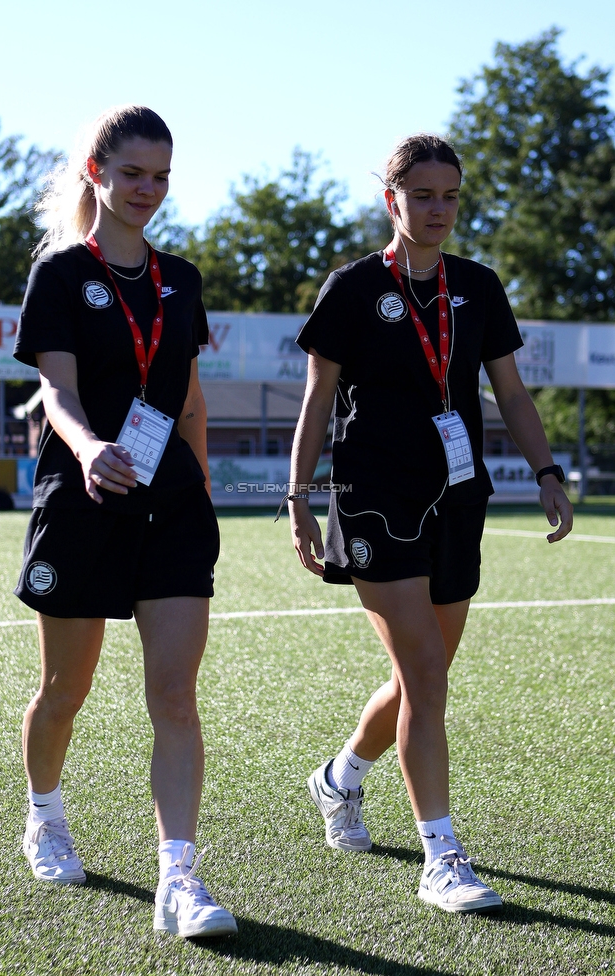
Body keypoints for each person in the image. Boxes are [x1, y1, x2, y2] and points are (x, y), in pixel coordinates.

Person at [288, 133, 573, 913]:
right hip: (374, 499)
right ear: (393, 199)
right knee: (426, 676)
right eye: (423, 195)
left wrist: (546, 471)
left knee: (423, 676)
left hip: (457, 497)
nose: (438, 208)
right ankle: (441, 856)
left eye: (450, 195)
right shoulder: (350, 289)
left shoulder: (478, 286)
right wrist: (300, 496)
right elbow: (317, 399)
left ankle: (338, 779)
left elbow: (510, 394)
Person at [13, 105, 237, 939]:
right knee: (65, 690)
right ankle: (45, 812)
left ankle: (178, 879)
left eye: (162, 176)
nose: (149, 190)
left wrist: (203, 485)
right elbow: (59, 397)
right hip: (84, 501)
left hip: (172, 507)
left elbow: (188, 398)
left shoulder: (182, 278)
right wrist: (86, 446)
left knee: (175, 698)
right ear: (96, 171)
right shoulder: (62, 276)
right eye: (134, 173)